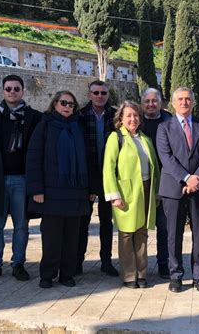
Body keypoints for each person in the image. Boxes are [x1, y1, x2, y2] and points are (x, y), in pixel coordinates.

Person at [0, 75, 42, 282]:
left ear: (23, 91)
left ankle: (18, 264)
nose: (12, 92)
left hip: (22, 180)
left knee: (21, 226)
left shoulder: (34, 117)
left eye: (16, 89)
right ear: (3, 91)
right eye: (8, 89)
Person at [26, 91, 91, 289]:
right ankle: (47, 275)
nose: (67, 107)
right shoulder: (45, 126)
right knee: (52, 239)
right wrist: (36, 189)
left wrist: (90, 189)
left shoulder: (78, 127)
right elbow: (34, 158)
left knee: (71, 239)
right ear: (54, 104)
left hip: (76, 193)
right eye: (63, 103)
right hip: (51, 193)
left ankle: (67, 274)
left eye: (71, 104)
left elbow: (88, 160)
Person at [156, 87, 199, 293]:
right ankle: (176, 276)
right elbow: (166, 157)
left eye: (188, 99)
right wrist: (187, 177)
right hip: (173, 188)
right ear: (173, 103)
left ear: (193, 102)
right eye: (180, 99)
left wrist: (196, 178)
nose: (184, 102)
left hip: (198, 188)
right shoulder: (164, 128)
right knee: (174, 234)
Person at [103, 101, 160, 289]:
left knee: (142, 232)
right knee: (127, 234)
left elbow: (155, 168)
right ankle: (129, 275)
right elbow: (108, 169)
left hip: (145, 188)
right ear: (121, 119)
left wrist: (156, 192)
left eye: (135, 115)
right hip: (126, 192)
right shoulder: (115, 137)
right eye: (128, 115)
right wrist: (114, 195)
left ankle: (142, 274)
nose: (133, 119)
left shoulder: (145, 139)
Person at [77, 80, 118, 277]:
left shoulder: (115, 115)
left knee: (106, 222)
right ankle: (78, 261)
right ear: (89, 95)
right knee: (83, 220)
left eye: (103, 93)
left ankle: (106, 261)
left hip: (109, 176)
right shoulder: (80, 115)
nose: (99, 96)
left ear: (107, 95)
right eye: (96, 93)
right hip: (87, 175)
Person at [140, 88, 172, 279]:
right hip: (141, 182)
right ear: (142, 103)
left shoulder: (169, 122)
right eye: (147, 101)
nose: (151, 104)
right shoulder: (136, 122)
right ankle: (139, 266)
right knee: (139, 227)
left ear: (161, 103)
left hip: (165, 181)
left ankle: (164, 264)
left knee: (164, 226)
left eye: (154, 101)